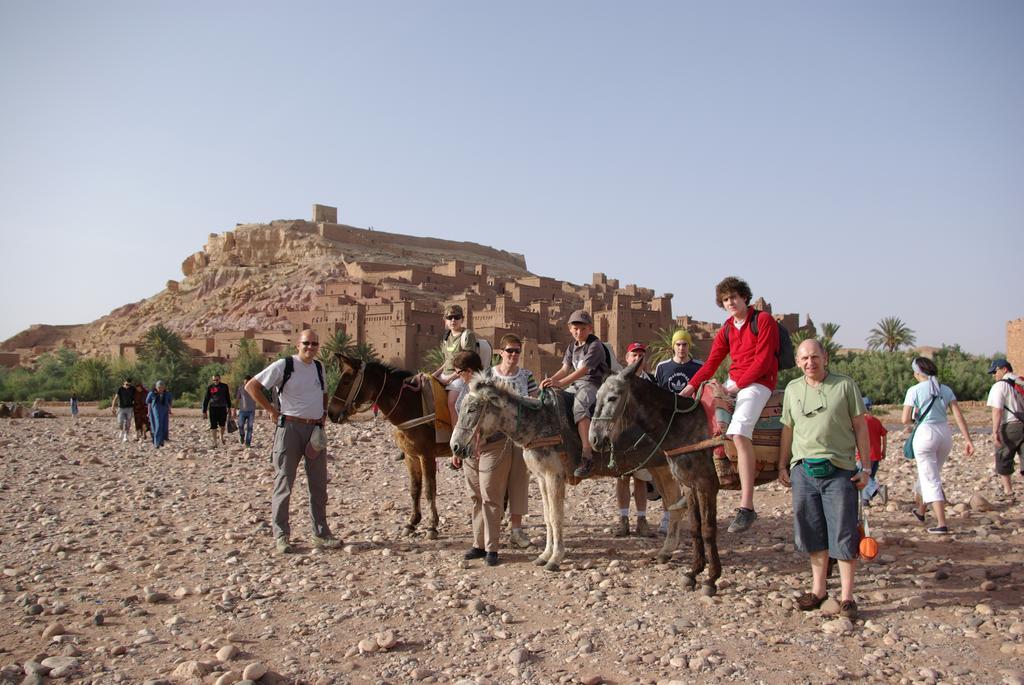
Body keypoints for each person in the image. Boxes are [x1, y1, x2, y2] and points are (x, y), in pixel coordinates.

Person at [778, 339, 870, 619]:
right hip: (804, 470)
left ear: (825, 358)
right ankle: (818, 591)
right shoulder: (793, 389)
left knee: (843, 531)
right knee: (813, 531)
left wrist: (865, 467)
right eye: (804, 358)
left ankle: (847, 596)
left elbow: (860, 426)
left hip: (839, 468)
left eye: (815, 357)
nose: (810, 362)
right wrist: (783, 464)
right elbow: (787, 429)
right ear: (797, 362)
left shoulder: (845, 385)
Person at [681, 277, 779, 534]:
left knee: (738, 432)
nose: (730, 302)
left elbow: (764, 360)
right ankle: (706, 475)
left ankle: (747, 506)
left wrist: (737, 386)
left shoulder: (763, 321)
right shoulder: (727, 328)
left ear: (745, 297)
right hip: (735, 380)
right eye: (725, 300)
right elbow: (712, 361)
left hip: (759, 383)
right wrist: (692, 386)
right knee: (701, 418)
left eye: (734, 297)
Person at [245, 330, 341, 554]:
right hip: (289, 428)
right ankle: (281, 536)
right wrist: (270, 411)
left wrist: (324, 413)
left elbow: (324, 391)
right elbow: (252, 386)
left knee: (318, 485)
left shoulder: (319, 367)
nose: (310, 347)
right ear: (297, 345)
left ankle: (321, 533)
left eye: (314, 343)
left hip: (315, 429)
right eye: (306, 343)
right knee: (285, 483)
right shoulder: (284, 365)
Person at [902, 357, 975, 533]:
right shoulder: (945, 389)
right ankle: (921, 511)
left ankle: (941, 523)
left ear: (917, 373)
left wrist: (916, 419)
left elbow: (905, 419)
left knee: (930, 479)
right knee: (929, 474)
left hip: (925, 434)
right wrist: (968, 440)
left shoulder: (914, 390)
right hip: (945, 434)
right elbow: (958, 415)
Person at [449, 350, 509, 566]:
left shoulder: (490, 388)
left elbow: (499, 416)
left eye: (459, 372)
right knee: (475, 496)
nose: (457, 376)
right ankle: (479, 545)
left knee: (490, 496)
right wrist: (457, 450)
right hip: (469, 449)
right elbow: (463, 422)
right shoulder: (464, 387)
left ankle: (492, 548)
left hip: (493, 445)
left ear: (469, 371)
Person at [484, 334, 538, 550]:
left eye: (517, 351)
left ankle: (516, 530)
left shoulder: (526, 375)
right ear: (500, 352)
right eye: (510, 351)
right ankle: (492, 533)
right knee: (493, 486)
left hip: (520, 439)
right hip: (494, 439)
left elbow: (536, 402)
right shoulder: (489, 375)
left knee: (518, 484)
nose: (514, 355)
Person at [540, 309, 609, 478]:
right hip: (576, 384)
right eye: (576, 329)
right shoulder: (572, 347)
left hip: (592, 384)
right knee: (554, 400)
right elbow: (565, 368)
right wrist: (550, 381)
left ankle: (586, 453)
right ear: (570, 329)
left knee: (580, 406)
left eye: (583, 329)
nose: (579, 332)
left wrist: (560, 383)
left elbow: (584, 370)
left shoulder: (595, 345)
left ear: (590, 328)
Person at [614, 343, 656, 537]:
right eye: (634, 354)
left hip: (643, 440)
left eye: (641, 354)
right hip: (623, 439)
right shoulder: (619, 381)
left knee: (641, 479)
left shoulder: (652, 382)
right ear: (626, 358)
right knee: (623, 479)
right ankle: (623, 520)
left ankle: (641, 520)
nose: (637, 358)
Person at [432, 304, 478, 424]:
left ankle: (455, 436)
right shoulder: (447, 337)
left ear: (462, 319)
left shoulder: (467, 336)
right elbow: (447, 361)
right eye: (450, 317)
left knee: (452, 403)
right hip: (446, 375)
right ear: (445, 320)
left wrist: (449, 379)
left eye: (456, 317)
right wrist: (435, 374)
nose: (453, 320)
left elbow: (468, 362)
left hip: (461, 376)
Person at [986, 359, 1024, 499]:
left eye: (995, 371)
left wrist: (995, 431)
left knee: (1004, 456)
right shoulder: (1020, 381)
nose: (994, 375)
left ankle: (1008, 491)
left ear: (1004, 369)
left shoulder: (999, 386)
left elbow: (997, 410)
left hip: (1010, 426)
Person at [859, 397, 889, 505]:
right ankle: (865, 501)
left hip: (863, 455)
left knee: (862, 475)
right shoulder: (876, 421)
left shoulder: (860, 421)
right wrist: (883, 451)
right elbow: (884, 435)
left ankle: (878, 488)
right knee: (869, 477)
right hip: (876, 455)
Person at [202, 373, 232, 447]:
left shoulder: (224, 386)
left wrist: (229, 407)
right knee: (213, 426)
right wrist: (204, 411)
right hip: (213, 408)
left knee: (222, 425)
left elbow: (228, 397)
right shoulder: (210, 387)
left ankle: (221, 436)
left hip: (222, 408)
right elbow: (206, 399)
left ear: (219, 379)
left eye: (217, 380)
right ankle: (215, 442)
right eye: (214, 380)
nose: (215, 381)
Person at [145, 381, 173, 448]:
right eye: (159, 387)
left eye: (162, 388)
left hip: (164, 411)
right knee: (157, 426)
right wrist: (148, 412)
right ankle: (156, 443)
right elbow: (148, 402)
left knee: (164, 426)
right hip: (155, 411)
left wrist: (169, 410)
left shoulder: (167, 394)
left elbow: (170, 402)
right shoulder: (152, 393)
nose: (161, 389)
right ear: (156, 387)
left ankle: (161, 441)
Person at [235, 375, 256, 448]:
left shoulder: (254, 388)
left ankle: (248, 443)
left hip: (251, 411)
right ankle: (242, 435)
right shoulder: (240, 388)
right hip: (242, 411)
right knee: (240, 425)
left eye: (248, 382)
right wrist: (234, 409)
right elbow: (237, 399)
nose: (246, 383)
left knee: (250, 427)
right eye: (245, 382)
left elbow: (258, 398)